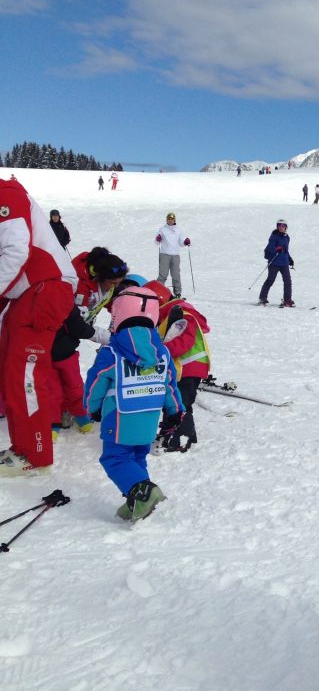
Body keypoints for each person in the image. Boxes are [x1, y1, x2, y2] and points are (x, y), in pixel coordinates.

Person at [84, 286, 184, 521]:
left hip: (119, 417)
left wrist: (92, 408)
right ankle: (137, 500)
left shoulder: (112, 352)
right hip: (149, 418)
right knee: (137, 457)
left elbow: (96, 382)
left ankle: (143, 493)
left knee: (115, 458)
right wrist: (174, 411)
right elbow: (170, 384)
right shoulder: (162, 353)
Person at [0, 175, 77, 477]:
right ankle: (22, 448)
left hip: (46, 288)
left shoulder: (6, 193)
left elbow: (17, 251)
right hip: (24, 293)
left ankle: (35, 453)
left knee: (25, 373)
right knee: (11, 371)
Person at [49, 248, 127, 440]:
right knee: (53, 381)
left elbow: (109, 300)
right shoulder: (78, 286)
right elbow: (77, 324)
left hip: (70, 338)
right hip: (57, 334)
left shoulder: (104, 283)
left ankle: (76, 411)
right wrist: (107, 337)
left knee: (73, 380)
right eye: (112, 283)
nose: (114, 287)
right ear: (100, 276)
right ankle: (53, 419)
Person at [144, 280, 211, 452]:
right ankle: (170, 432)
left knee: (181, 401)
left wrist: (158, 351)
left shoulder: (182, 314)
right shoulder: (171, 314)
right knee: (173, 399)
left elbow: (183, 343)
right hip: (183, 366)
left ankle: (180, 437)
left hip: (190, 366)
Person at [258, 219, 294, 307]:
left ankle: (287, 300)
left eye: (283, 226)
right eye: (279, 226)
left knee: (287, 281)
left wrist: (289, 259)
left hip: (284, 263)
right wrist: (276, 249)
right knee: (270, 280)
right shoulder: (274, 236)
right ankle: (262, 298)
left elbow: (285, 250)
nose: (281, 227)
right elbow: (270, 247)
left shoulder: (286, 237)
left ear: (286, 227)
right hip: (274, 262)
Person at [155, 211, 190, 299]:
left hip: (175, 255)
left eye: (172, 219)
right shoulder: (162, 229)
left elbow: (181, 242)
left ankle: (177, 293)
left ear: (174, 220)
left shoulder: (178, 230)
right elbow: (156, 241)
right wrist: (158, 238)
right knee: (163, 274)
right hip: (164, 254)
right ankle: (157, 292)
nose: (170, 220)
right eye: (169, 219)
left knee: (176, 275)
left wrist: (185, 242)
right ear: (166, 220)